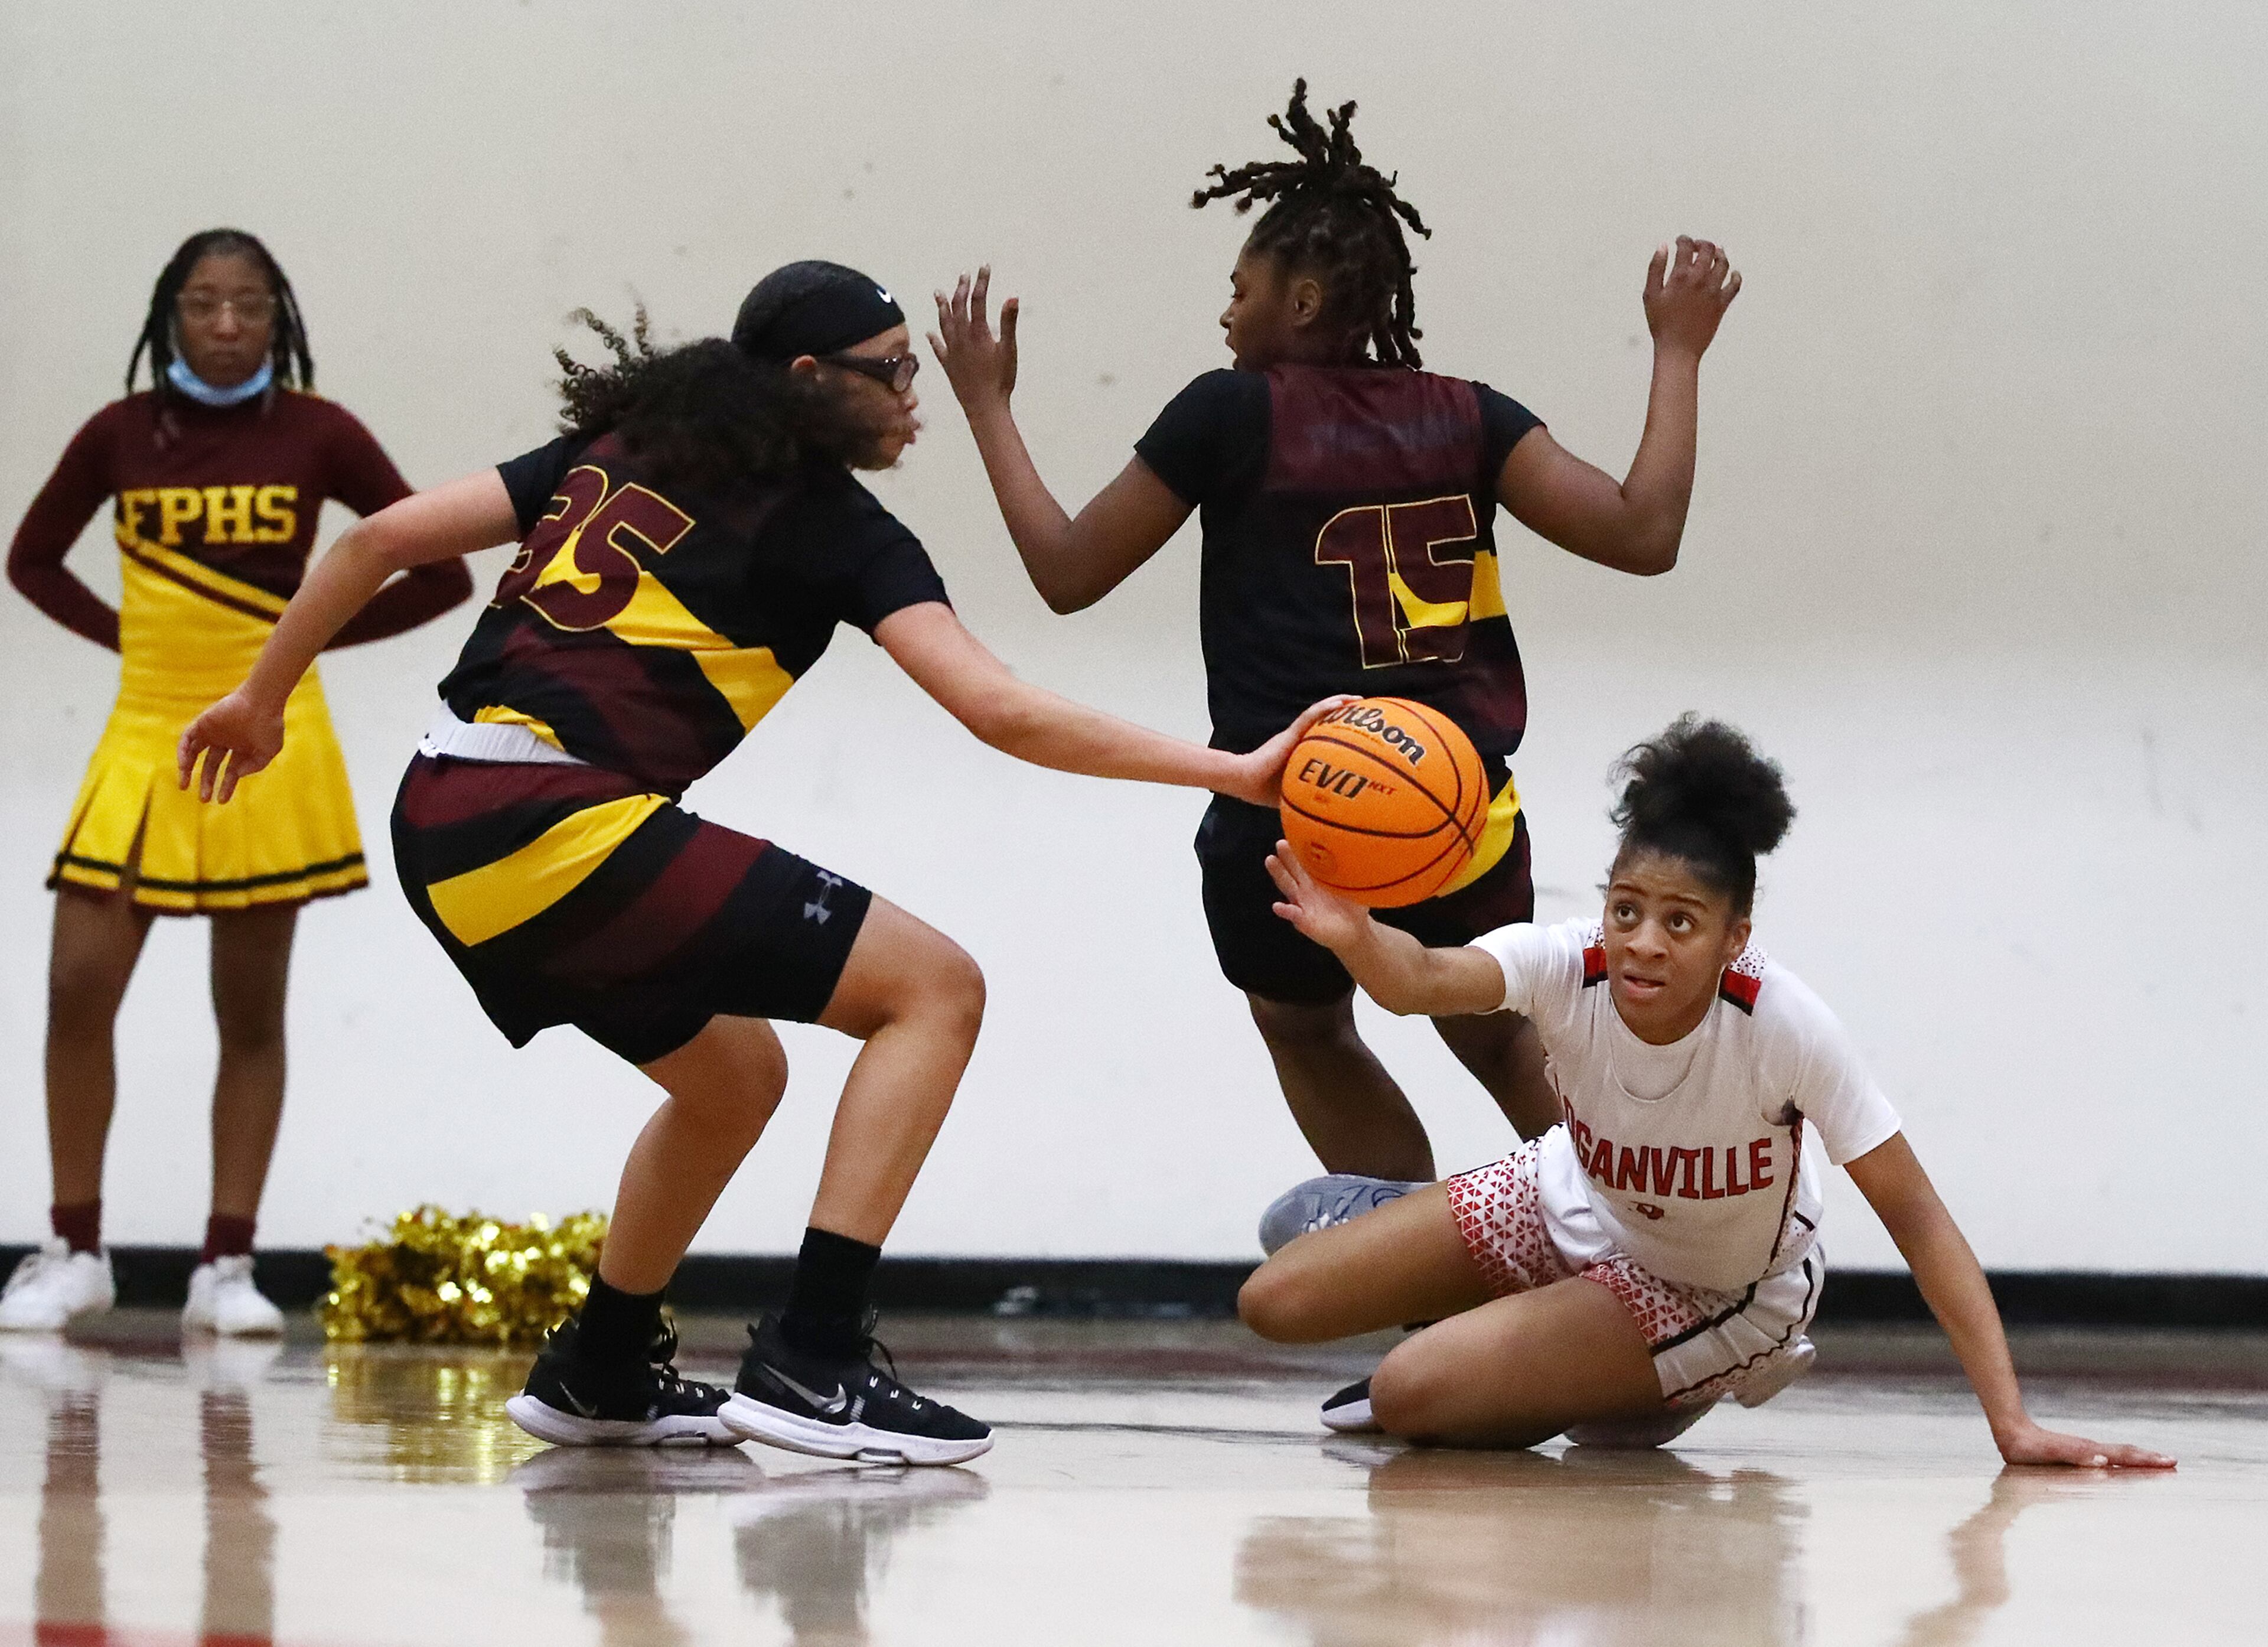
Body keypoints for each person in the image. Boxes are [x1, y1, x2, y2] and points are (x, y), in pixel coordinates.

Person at [175, 262, 1336, 1464]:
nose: (911, 398)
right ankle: (815, 1356)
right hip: (550, 817)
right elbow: (1001, 712)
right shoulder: (830, 524)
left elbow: (375, 539)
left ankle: (602, 1364)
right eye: (889, 372)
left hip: (445, 809)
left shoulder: (624, 442)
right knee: (935, 988)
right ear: (804, 381)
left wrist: (262, 699)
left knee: (734, 1075)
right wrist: (1234, 771)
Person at [930, 82, 1741, 1233]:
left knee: (1308, 1025)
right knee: (1495, 1028)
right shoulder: (1472, 413)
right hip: (1459, 805)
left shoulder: (1228, 411)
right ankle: (1646, 1257)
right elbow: (1643, 533)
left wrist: (988, 404)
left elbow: (1067, 570)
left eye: (1241, 286)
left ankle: (1419, 1287)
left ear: (1302, 299)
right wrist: (1677, 349)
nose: (1225, 311)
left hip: (1295, 803)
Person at [1238, 717, 2176, 1469]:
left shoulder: (1785, 1026)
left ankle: (1651, 1377)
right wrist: (1356, 935)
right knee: (1275, 1301)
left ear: (1734, 938)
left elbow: (1920, 1219)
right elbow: (1421, 981)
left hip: (1713, 1285)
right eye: (1628, 909)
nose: (1643, 940)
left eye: (1679, 922)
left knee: (1408, 1396)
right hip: (1573, 1190)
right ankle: (1521, 1327)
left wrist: (2011, 1423)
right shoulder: (1572, 962)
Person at [1, 229, 470, 1337]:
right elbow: (29, 557)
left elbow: (440, 572)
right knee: (79, 986)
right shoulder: (119, 434)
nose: (224, 326)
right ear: (170, 314)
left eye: (248, 306)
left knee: (249, 1010)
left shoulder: (320, 432)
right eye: (204, 304)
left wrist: (290, 657)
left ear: (279, 317)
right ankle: (73, 1249)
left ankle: (228, 1265)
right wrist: (132, 639)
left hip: (268, 742)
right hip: (146, 730)